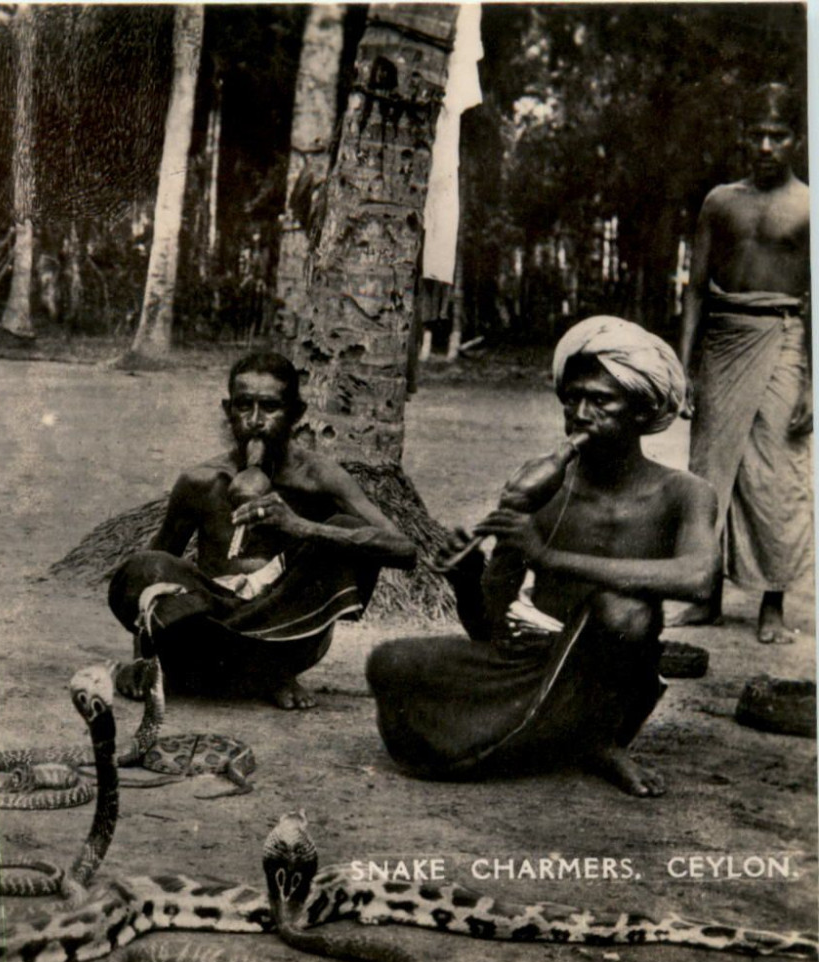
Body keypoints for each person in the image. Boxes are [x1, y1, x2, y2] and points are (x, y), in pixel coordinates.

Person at [367, 317, 717, 797]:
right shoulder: (542, 489)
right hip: (527, 668)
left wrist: (548, 556)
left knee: (623, 610)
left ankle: (600, 741)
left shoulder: (684, 493)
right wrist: (468, 577)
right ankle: (559, 739)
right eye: (571, 399)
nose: (579, 413)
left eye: (600, 400)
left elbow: (699, 577)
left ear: (642, 408)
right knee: (391, 662)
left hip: (612, 684)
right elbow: (490, 634)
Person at [108, 352, 416, 709]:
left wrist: (301, 527)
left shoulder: (319, 478)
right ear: (228, 410)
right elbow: (150, 572)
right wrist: (143, 658)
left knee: (347, 531)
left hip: (287, 632)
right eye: (243, 406)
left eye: (269, 407)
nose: (255, 421)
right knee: (144, 565)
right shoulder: (201, 481)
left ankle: (274, 671)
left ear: (296, 414)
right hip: (212, 625)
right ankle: (246, 675)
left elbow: (404, 549)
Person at [677, 83, 811, 643]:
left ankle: (772, 607)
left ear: (797, 140)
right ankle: (704, 595)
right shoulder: (720, 202)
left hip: (784, 338)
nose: (764, 146)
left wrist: (811, 382)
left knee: (779, 474)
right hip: (724, 340)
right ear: (742, 137)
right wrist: (682, 365)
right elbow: (696, 291)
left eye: (777, 135)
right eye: (755, 134)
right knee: (709, 470)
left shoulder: (809, 206)